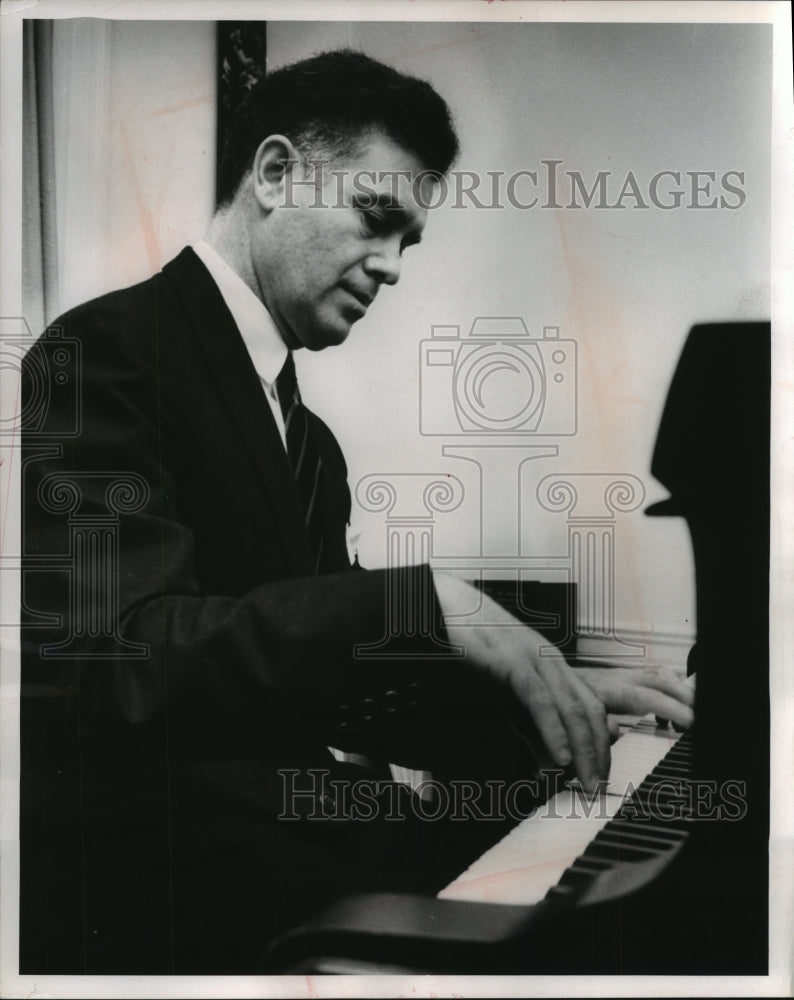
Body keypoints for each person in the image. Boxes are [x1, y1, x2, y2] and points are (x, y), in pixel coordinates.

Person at [20, 49, 693, 974]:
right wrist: (420, 601)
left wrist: (543, 690)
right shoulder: (102, 353)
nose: (392, 266)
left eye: (409, 241)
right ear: (275, 172)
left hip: (287, 835)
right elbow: (117, 664)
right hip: (154, 877)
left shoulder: (312, 441)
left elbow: (321, 676)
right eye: (378, 220)